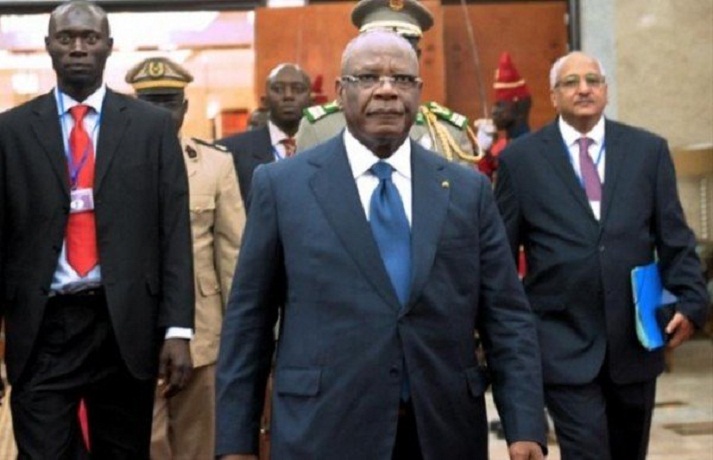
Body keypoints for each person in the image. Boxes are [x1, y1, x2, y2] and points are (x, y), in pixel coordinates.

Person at [216, 30, 546, 460]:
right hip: (323, 430)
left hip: (442, 431)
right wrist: (236, 443)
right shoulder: (283, 186)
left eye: (402, 79)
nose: (387, 90)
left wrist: (524, 425)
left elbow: (506, 316)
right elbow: (249, 322)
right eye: (368, 77)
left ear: (419, 93)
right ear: (340, 92)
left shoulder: (467, 190)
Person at [0, 1, 194, 457]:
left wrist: (178, 329)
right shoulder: (11, 132)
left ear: (109, 46)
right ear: (48, 46)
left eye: (89, 38)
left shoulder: (151, 128)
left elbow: (173, 233)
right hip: (43, 327)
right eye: (66, 38)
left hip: (124, 323)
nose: (78, 48)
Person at [494, 51, 710, 460]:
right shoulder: (521, 161)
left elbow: (674, 237)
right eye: (571, 82)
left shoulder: (647, 151)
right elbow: (501, 255)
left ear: (606, 91)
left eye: (593, 80)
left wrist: (692, 300)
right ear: (553, 96)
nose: (584, 89)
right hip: (562, 340)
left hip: (636, 340)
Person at [125, 56, 246, 460]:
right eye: (151, 102)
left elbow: (233, 253)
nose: (161, 112)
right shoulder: (113, 162)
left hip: (204, 328)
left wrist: (240, 334)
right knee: (146, 441)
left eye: (169, 102)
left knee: (199, 443)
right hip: (133, 328)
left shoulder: (215, 164)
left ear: (185, 107)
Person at [295, 0, 483, 165]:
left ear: (417, 57)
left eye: (404, 50)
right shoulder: (319, 129)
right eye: (378, 47)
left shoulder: (448, 135)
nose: (391, 55)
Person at [218, 63, 312, 206]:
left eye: (298, 89)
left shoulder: (327, 147)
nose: (288, 96)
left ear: (311, 100)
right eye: (278, 89)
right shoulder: (230, 152)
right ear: (264, 101)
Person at [476, 51, 532, 181]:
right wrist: (483, 153)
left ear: (517, 107)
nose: (494, 111)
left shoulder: (532, 149)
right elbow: (482, 183)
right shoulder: (500, 146)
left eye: (500, 105)